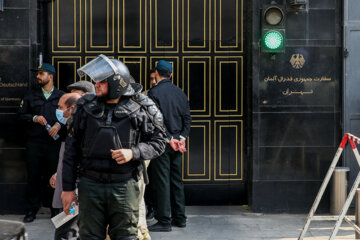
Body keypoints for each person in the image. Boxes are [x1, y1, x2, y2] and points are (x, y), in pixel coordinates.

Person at [61, 54, 166, 240]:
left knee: (125, 236)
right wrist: (68, 189)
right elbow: (71, 150)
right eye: (96, 81)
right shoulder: (85, 107)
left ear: (117, 83)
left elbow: (158, 143)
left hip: (124, 186)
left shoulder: (141, 107)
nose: (96, 85)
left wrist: (133, 152)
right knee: (88, 236)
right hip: (90, 184)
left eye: (102, 81)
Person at [18, 63, 66, 223]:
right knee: (33, 177)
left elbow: (70, 115)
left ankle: (55, 211)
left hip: (54, 145)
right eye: (37, 74)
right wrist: (34, 118)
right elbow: (21, 115)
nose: (38, 76)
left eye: (41, 73)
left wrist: (59, 125)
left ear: (50, 76)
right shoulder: (30, 95)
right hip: (35, 143)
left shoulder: (61, 96)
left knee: (54, 178)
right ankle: (31, 210)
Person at [148, 60, 191, 232]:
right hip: (178, 144)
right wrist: (181, 138)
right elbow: (187, 118)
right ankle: (180, 218)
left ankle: (164, 220)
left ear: (157, 73)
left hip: (162, 143)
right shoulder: (180, 92)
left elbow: (156, 121)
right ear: (171, 74)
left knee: (162, 181)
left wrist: (168, 139)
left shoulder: (153, 92)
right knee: (176, 180)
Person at [51, 92, 82, 240]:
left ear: (72, 108)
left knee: (68, 233)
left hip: (73, 194)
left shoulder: (81, 130)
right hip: (67, 190)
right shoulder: (70, 127)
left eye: (60, 107)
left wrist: (72, 190)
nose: (57, 110)